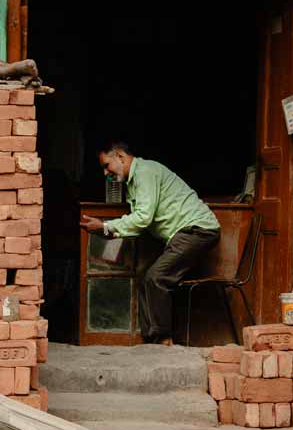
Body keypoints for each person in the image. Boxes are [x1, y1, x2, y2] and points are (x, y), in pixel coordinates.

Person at [80, 141, 220, 346]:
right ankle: (152, 340)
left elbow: (143, 218)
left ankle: (163, 340)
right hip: (183, 233)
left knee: (156, 277)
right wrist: (108, 231)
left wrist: (105, 226)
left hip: (198, 230)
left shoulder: (145, 172)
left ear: (120, 156)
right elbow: (140, 221)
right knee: (148, 279)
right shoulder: (133, 181)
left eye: (106, 165)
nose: (105, 173)